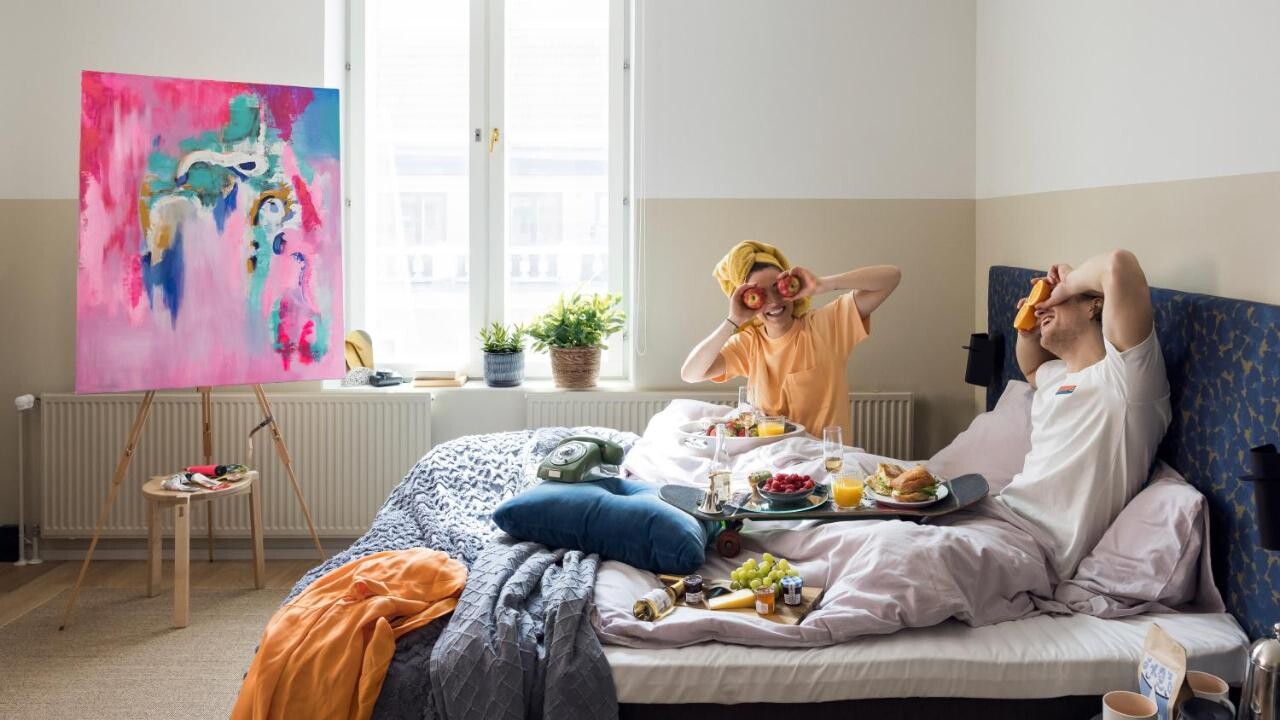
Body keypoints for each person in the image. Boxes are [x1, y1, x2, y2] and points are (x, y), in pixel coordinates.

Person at [998, 249, 1172, 579]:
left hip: (1036, 548)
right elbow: (1031, 369)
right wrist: (1027, 331)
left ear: (1094, 305)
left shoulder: (1125, 379)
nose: (1041, 306)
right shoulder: (1056, 378)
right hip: (1001, 515)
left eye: (1054, 300)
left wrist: (1067, 282)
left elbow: (1119, 264)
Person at [680, 240, 900, 441]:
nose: (774, 301)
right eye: (760, 295)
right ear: (747, 302)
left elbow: (891, 277)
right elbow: (691, 374)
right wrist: (734, 319)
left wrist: (822, 284)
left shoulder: (826, 325)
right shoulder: (749, 343)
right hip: (773, 465)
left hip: (821, 461)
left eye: (778, 288)